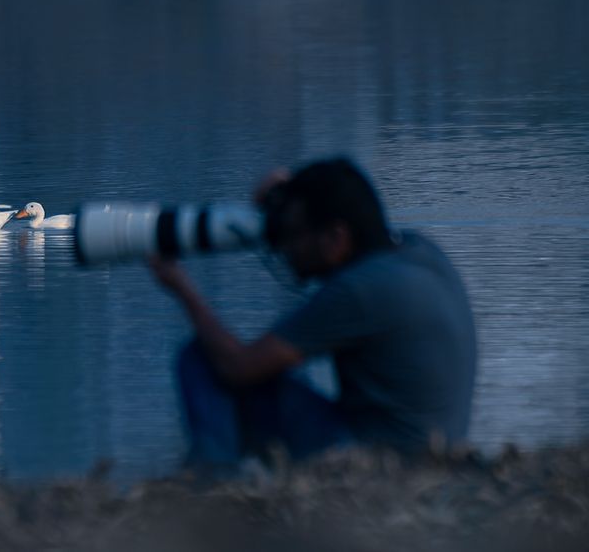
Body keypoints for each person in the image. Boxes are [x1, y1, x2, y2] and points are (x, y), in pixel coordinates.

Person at [150, 158, 477, 471]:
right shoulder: (421, 251)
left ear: (336, 237)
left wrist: (181, 288)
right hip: (434, 453)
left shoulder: (357, 292)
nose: (287, 248)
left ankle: (211, 479)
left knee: (201, 359)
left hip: (381, 465)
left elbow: (237, 367)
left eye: (295, 234)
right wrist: (292, 194)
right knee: (285, 372)